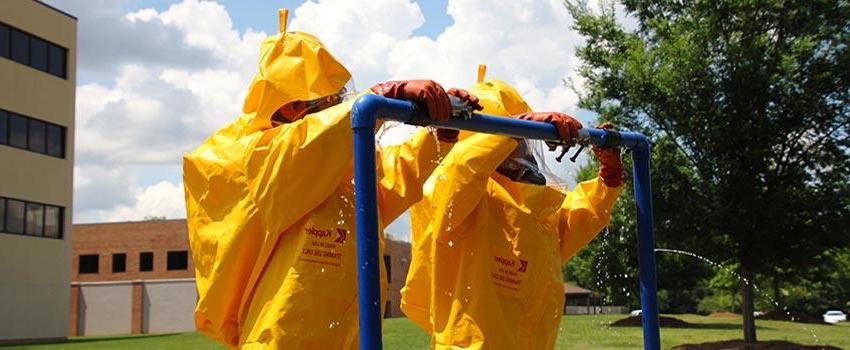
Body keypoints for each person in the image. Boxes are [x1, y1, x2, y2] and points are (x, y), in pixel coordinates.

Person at [183, 10, 480, 349]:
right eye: (330, 100)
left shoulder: (333, 161)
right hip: (281, 339)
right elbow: (300, 151)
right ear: (291, 108)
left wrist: (439, 137)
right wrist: (383, 95)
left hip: (351, 335)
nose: (341, 104)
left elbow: (389, 180)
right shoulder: (249, 159)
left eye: (341, 97)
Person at [400, 67, 624, 349]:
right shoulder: (450, 188)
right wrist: (515, 129)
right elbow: (463, 170)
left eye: (526, 142)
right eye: (517, 136)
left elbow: (574, 222)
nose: (524, 152)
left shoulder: (531, 202)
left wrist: (608, 180)